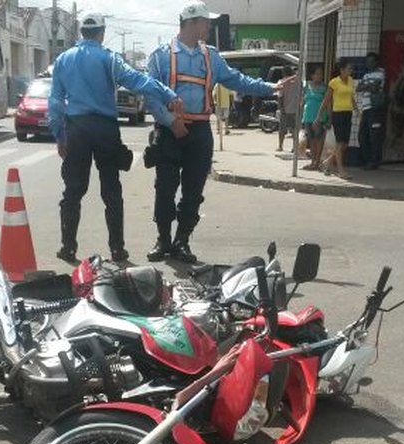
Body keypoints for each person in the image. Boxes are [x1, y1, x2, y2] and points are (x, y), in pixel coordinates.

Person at [143, 1, 291, 263]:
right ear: (191, 23)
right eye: (205, 22)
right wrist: (170, 121)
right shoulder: (160, 55)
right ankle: (163, 240)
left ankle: (181, 241)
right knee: (164, 188)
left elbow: (236, 79)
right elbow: (151, 95)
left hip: (199, 132)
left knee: (193, 191)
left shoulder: (210, 55)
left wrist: (271, 87)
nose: (209, 26)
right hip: (168, 131)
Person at [48, 13, 183, 264]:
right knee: (111, 190)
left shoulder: (63, 60)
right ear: (101, 32)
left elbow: (55, 101)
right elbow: (137, 81)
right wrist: (167, 93)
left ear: (81, 33)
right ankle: (117, 249)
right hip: (105, 129)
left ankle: (68, 248)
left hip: (76, 129)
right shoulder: (109, 58)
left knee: (73, 191)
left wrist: (59, 134)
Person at [318, 59, 356, 180]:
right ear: (342, 70)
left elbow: (351, 96)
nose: (351, 71)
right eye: (349, 68)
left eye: (351, 69)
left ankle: (327, 162)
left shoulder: (350, 81)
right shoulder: (334, 82)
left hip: (348, 113)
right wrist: (319, 115)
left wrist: (357, 109)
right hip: (338, 114)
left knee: (345, 144)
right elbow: (326, 100)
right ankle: (340, 170)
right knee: (339, 143)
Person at [356, 51, 387, 169]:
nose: (368, 63)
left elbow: (374, 88)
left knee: (375, 136)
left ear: (376, 62)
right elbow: (358, 88)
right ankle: (367, 159)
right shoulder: (366, 75)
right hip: (365, 109)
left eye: (371, 61)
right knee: (362, 135)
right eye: (367, 61)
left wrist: (366, 86)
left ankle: (374, 161)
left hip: (375, 109)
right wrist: (369, 85)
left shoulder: (381, 73)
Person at [301, 66, 328, 171]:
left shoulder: (324, 88)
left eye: (321, 74)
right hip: (308, 116)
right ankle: (313, 161)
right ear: (312, 75)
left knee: (319, 139)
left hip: (320, 117)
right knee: (311, 139)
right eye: (317, 73)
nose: (320, 76)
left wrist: (329, 118)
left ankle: (317, 161)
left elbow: (328, 104)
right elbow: (303, 101)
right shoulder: (307, 87)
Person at [277, 66, 300, 152]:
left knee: (282, 129)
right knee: (295, 129)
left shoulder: (282, 82)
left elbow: (280, 96)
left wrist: (280, 108)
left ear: (283, 73)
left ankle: (280, 146)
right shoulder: (298, 82)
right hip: (295, 109)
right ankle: (294, 147)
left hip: (285, 109)